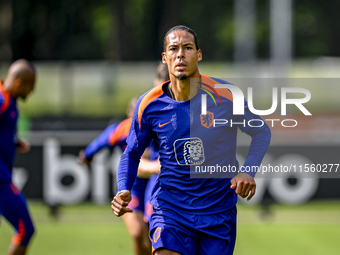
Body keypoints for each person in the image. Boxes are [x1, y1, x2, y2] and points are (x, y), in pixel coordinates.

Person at [111, 25, 271, 255]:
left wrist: (248, 171)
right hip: (170, 209)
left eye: (187, 48)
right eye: (173, 49)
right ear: (165, 58)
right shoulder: (148, 104)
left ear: (199, 54)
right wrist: (123, 188)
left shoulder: (224, 95)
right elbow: (132, 153)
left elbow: (261, 132)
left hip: (217, 212)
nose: (180, 54)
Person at [79, 62, 168, 255]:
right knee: (137, 234)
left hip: (154, 186)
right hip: (134, 188)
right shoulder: (124, 128)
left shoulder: (159, 122)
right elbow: (101, 142)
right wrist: (86, 155)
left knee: (154, 239)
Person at [0, 59, 36, 255]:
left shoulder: (9, 100)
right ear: (19, 83)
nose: (31, 92)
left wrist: (13, 141)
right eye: (31, 86)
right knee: (25, 230)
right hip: (0, 180)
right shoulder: (2, 99)